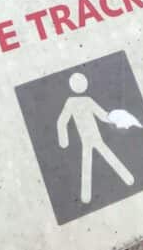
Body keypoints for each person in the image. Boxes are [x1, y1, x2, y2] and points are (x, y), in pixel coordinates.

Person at [56, 71, 136, 204]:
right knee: (95, 160)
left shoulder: (84, 101)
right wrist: (63, 141)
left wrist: (115, 119)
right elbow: (62, 121)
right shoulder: (74, 102)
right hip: (88, 138)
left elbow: (102, 115)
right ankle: (126, 179)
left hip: (93, 137)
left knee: (94, 160)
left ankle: (127, 179)